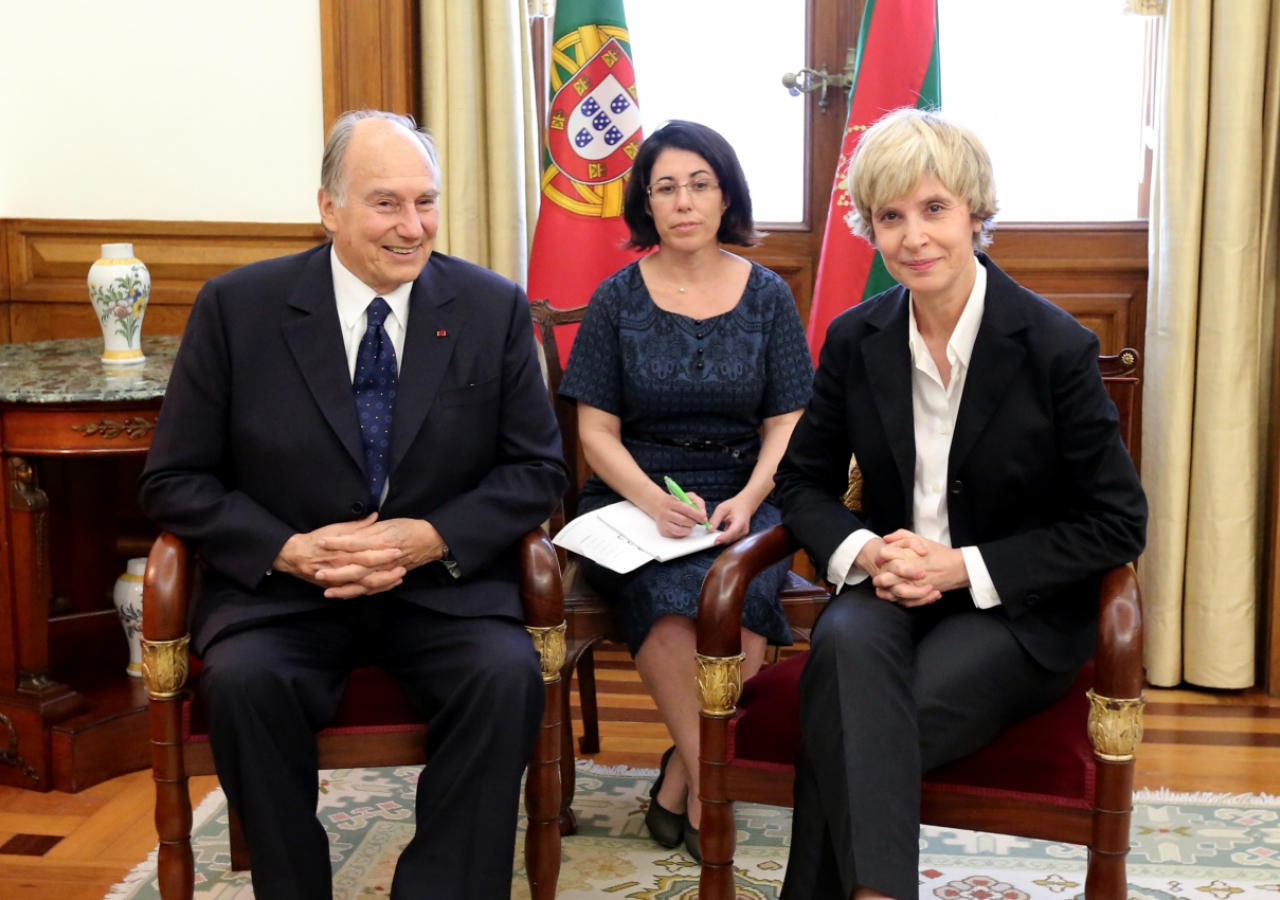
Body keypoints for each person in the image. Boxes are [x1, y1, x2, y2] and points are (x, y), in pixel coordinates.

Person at [138, 110, 568, 900]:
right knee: (243, 683)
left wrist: (430, 537)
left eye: (426, 201)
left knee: (507, 678)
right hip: (285, 597)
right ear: (328, 208)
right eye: (386, 204)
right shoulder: (238, 308)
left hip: (441, 591)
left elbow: (538, 469)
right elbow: (174, 480)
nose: (413, 227)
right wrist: (287, 548)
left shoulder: (489, 306)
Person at [773, 108, 1147, 900]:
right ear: (870, 228)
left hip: (1013, 609)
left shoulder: (1054, 346)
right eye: (891, 216)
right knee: (843, 651)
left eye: (935, 209)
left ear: (977, 214)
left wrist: (959, 567)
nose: (915, 237)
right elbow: (801, 482)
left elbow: (1118, 522)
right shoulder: (854, 338)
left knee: (847, 724)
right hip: (886, 586)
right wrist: (866, 551)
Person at [558, 120, 814, 863]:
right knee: (671, 591)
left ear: (725, 193)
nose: (684, 200)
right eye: (665, 186)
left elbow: (788, 420)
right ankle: (714, 787)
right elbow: (595, 432)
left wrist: (750, 495)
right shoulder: (616, 298)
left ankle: (682, 774)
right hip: (635, 494)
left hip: (742, 490)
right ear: (646, 201)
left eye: (700, 183)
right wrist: (648, 500)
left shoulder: (768, 295)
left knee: (741, 587)